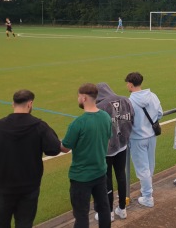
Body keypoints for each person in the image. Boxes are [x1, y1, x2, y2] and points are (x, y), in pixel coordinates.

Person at [0, 89, 62, 228]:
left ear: (13, 104)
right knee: (25, 224)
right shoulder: (39, 126)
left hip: (3, 187)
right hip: (29, 187)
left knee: (0, 225)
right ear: (30, 104)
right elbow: (54, 149)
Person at [60, 83, 112, 228]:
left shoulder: (78, 123)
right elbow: (107, 142)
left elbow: (65, 148)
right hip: (101, 172)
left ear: (83, 98)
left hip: (81, 177)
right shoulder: (106, 117)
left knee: (81, 214)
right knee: (104, 209)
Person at [93, 82, 134, 222]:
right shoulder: (125, 100)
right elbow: (132, 118)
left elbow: (95, 129)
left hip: (105, 149)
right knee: (121, 175)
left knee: (106, 180)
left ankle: (108, 212)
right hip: (122, 145)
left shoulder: (99, 107)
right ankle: (122, 209)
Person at [125, 72, 163, 208]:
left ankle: (147, 196)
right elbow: (160, 113)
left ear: (130, 84)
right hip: (151, 135)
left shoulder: (129, 102)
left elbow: (127, 121)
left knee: (142, 169)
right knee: (149, 166)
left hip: (137, 138)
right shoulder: (152, 96)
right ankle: (146, 191)